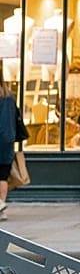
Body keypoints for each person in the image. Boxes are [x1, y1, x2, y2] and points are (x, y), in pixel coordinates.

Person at [0, 89, 26, 218]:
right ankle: (1, 207)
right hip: (8, 141)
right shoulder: (9, 96)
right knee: (3, 176)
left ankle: (0, 204)